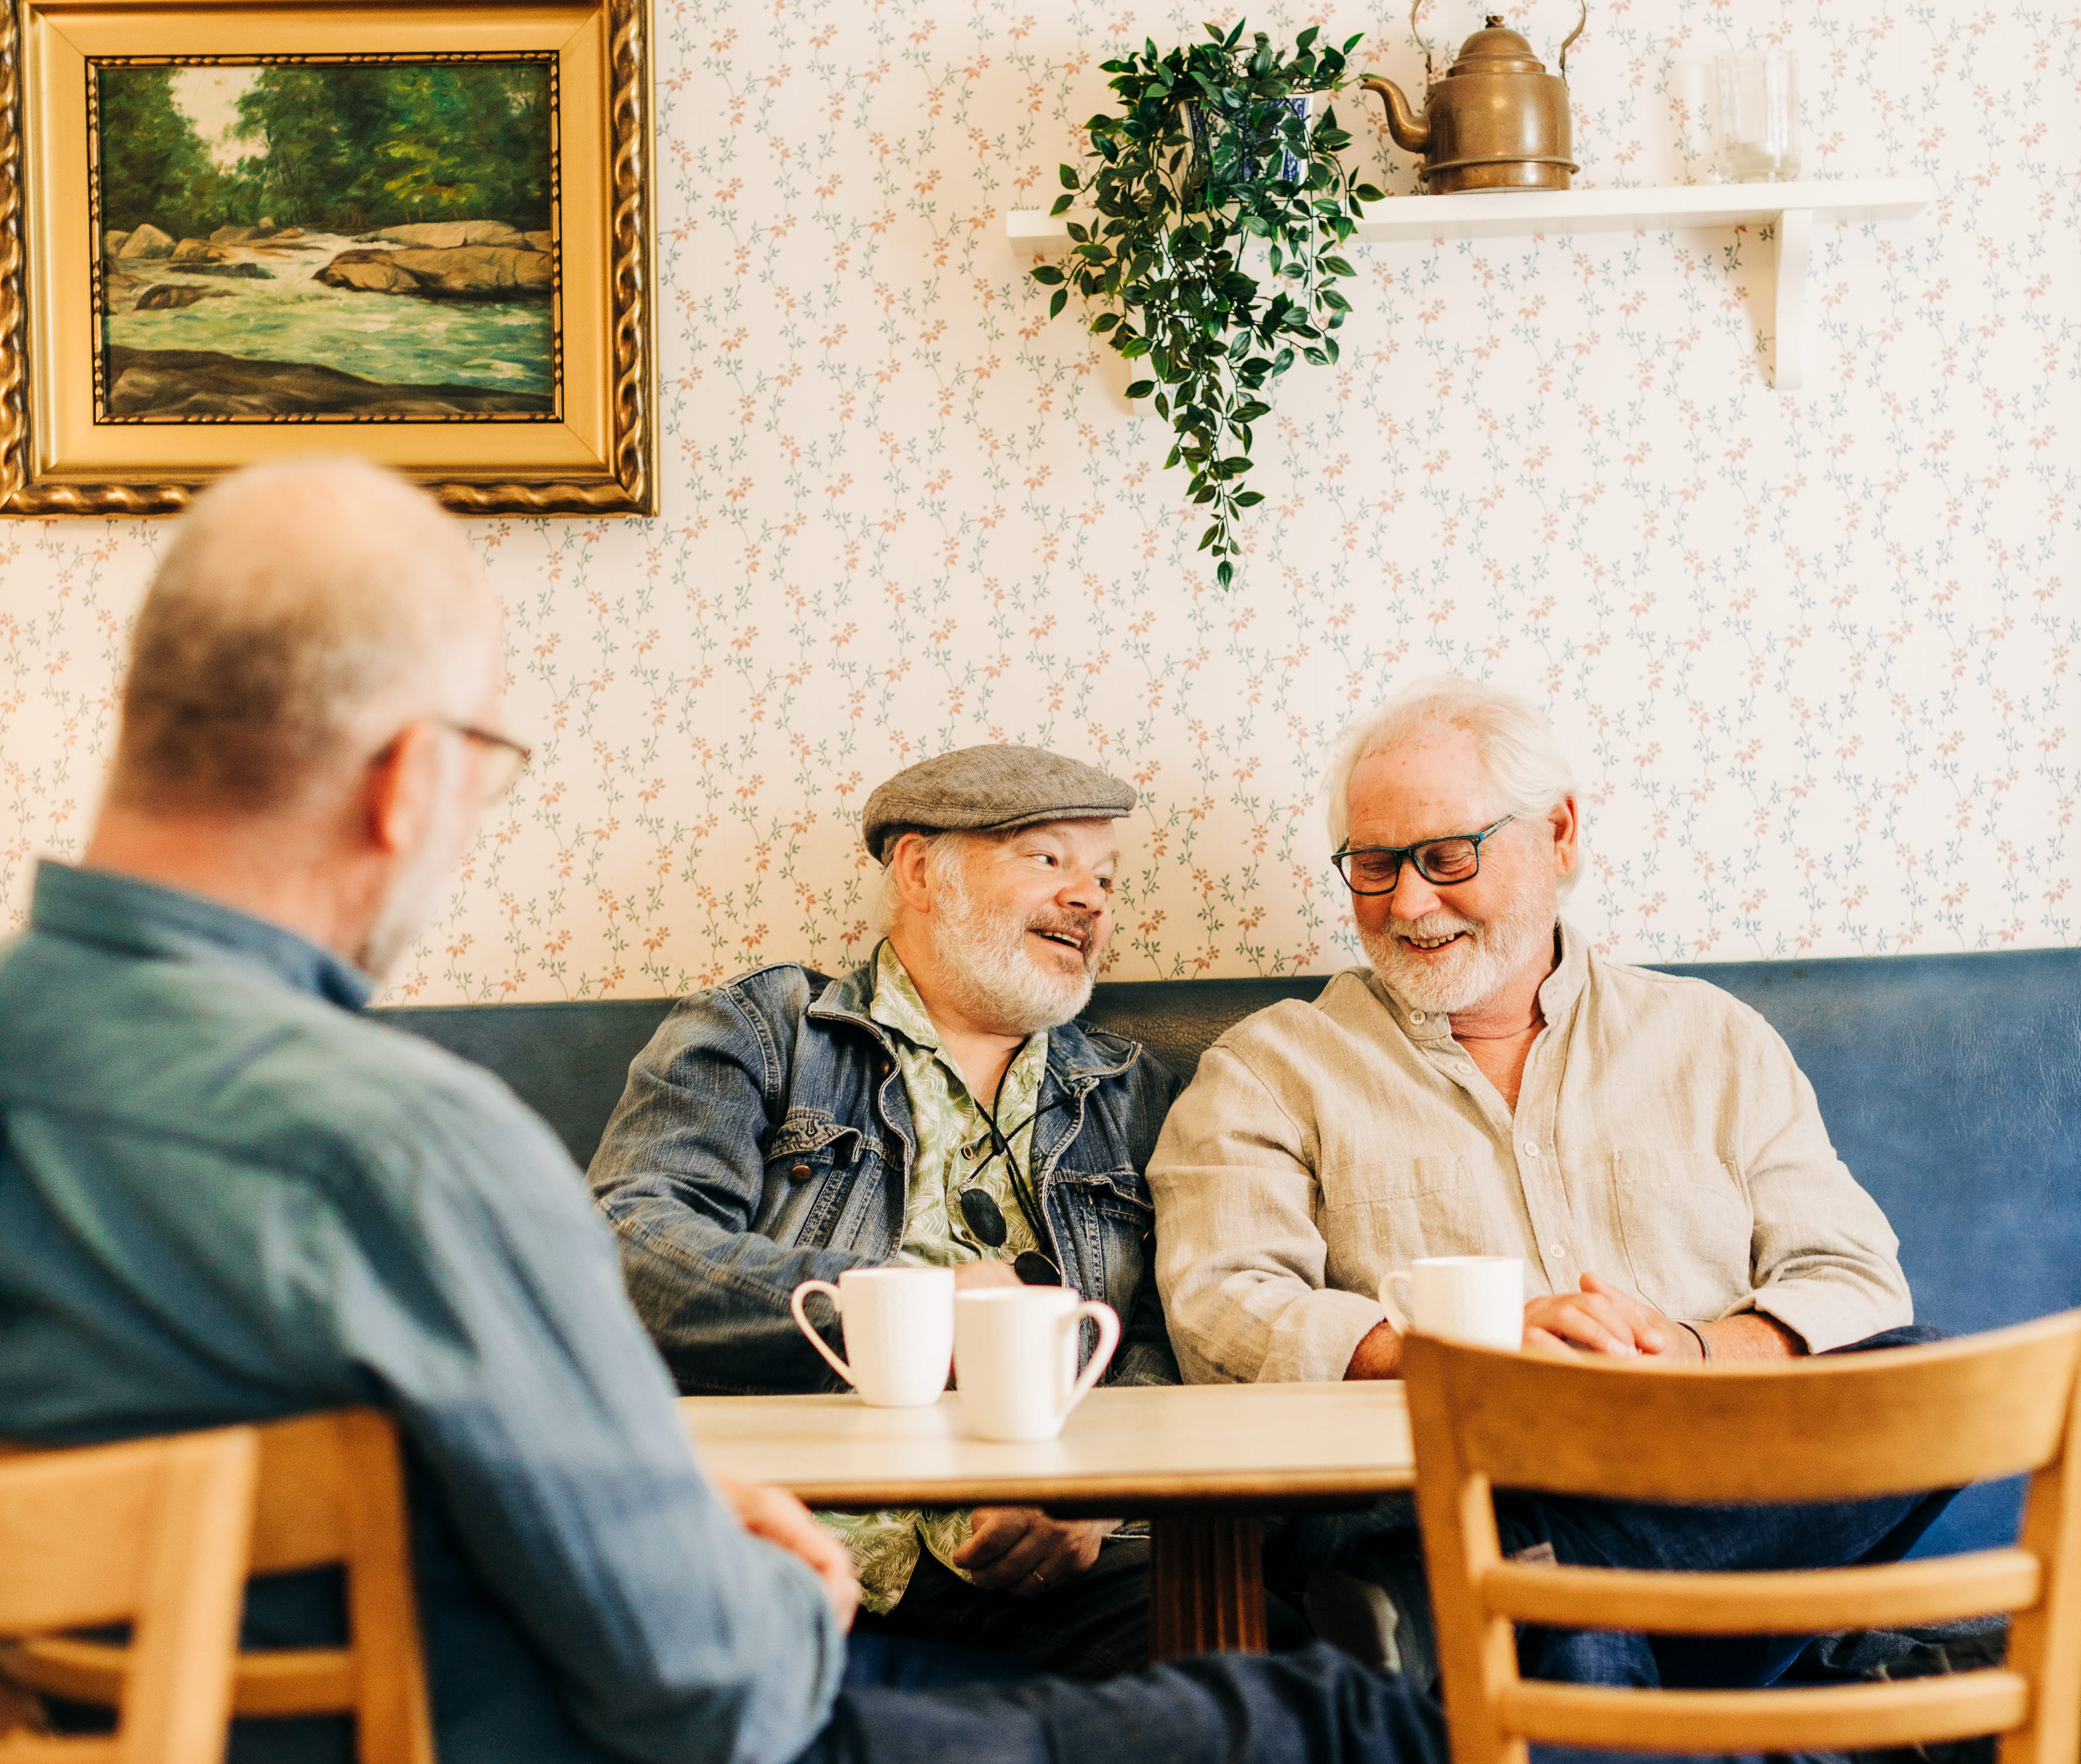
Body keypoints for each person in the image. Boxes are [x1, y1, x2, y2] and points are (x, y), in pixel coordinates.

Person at [0, 459, 1451, 1764]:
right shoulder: (410, 1148)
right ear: (409, 781)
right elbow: (710, 1690)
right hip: (673, 1712)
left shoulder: (1110, 1092)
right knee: (1343, 1718)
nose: (1088, 895)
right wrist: (762, 1569)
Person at [1148, 674, 1952, 1691]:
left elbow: (1854, 1279)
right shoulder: (1270, 1070)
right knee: (1560, 1621)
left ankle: (1509, 1580)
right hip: (1433, 1487)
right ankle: (1634, 1604)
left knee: (1916, 1374)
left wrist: (1694, 1352)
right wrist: (1465, 1359)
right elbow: (1221, 1309)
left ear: (1560, 835)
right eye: (1372, 865)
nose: (1407, 901)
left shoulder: (1713, 1040)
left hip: (1687, 1479)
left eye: (1447, 855)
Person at [586, 744, 1177, 1678]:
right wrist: (885, 1308)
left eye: (1107, 875)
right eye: (1048, 858)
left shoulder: (1131, 1092)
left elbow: (1163, 1336)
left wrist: (1096, 1494)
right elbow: (627, 1246)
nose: (1092, 898)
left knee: (1254, 1664)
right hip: (783, 1547)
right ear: (918, 871)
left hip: (1050, 1569)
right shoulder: (764, 1031)